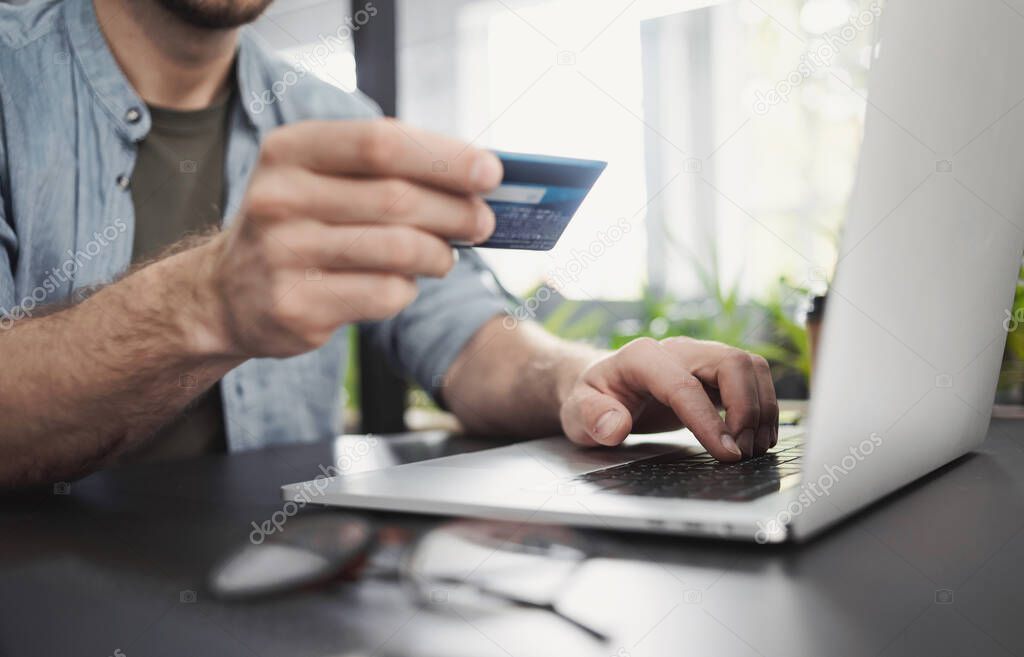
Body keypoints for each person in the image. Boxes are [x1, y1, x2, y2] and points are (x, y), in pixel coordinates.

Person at [0, 0, 778, 488]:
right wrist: (204, 304)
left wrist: (586, 378)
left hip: (288, 595)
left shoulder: (338, 117)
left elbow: (467, 336)